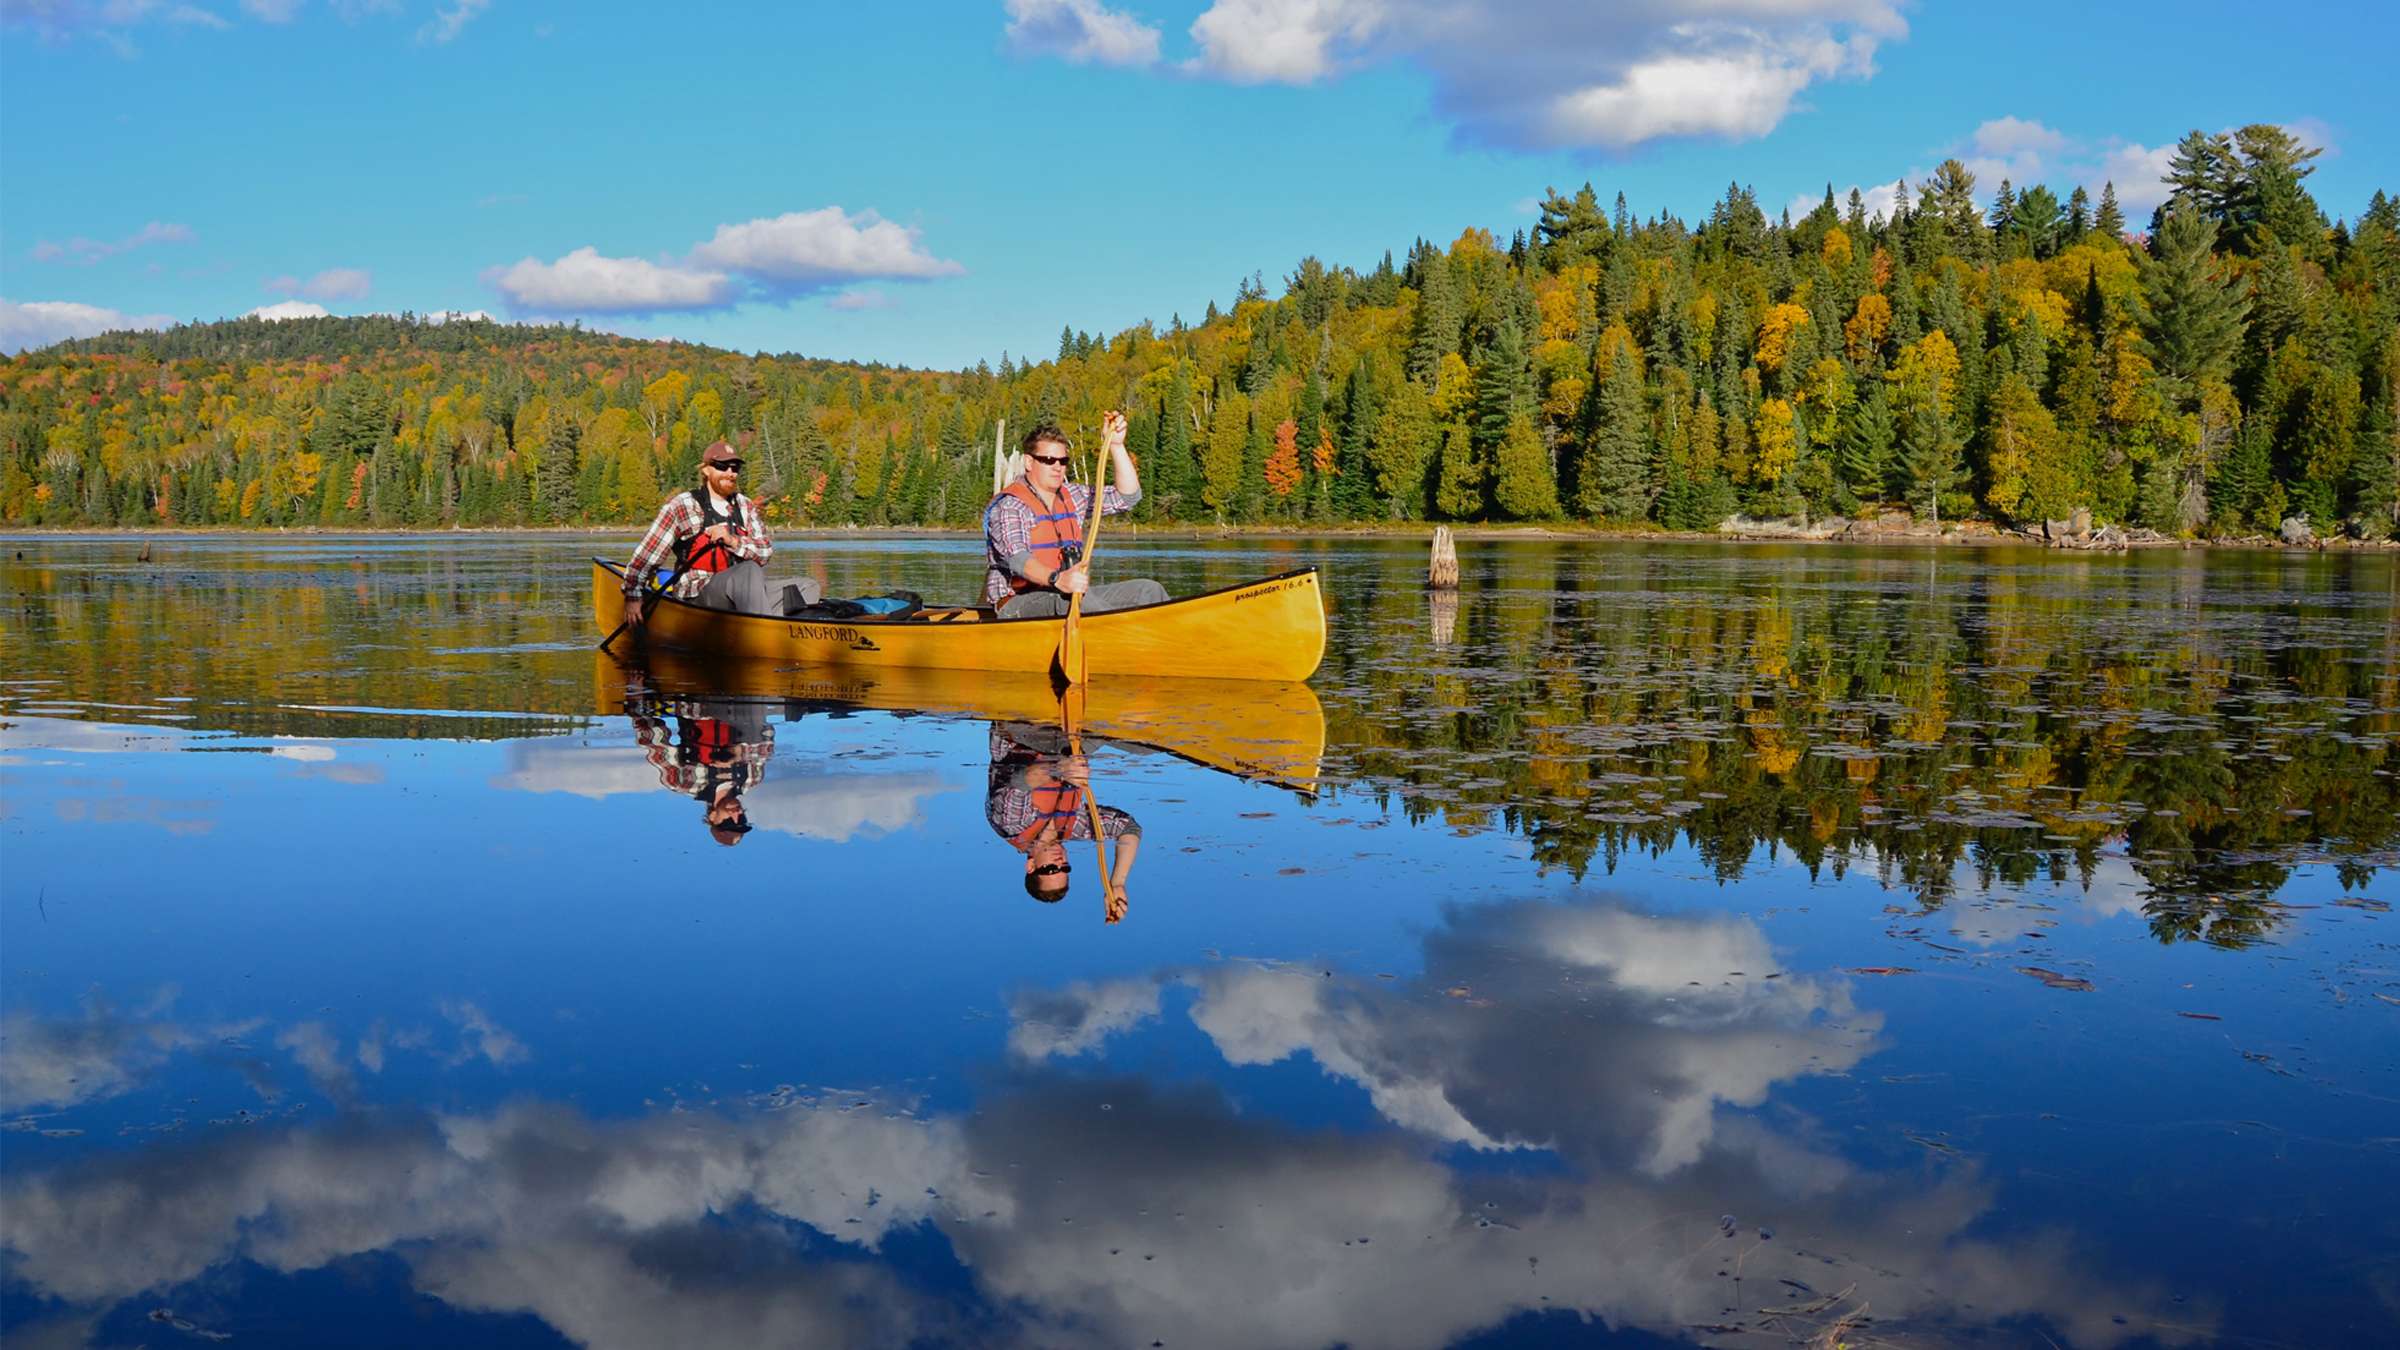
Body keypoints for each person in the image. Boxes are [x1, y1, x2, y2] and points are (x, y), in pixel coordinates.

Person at [621, 439, 820, 633]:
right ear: (706, 470)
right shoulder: (683, 505)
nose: (730, 473)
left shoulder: (745, 506)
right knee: (748, 571)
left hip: (744, 594)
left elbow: (765, 552)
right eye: (722, 466)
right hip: (699, 593)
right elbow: (646, 556)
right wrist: (633, 596)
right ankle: (762, 636)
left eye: (735, 468)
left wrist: (732, 540)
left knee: (807, 586)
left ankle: (789, 635)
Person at [982, 412, 1167, 618]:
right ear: (1028, 462)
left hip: (1066, 592)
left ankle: (1168, 642)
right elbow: (1018, 559)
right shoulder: (1010, 506)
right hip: (1018, 601)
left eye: (1063, 461)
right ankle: (1127, 637)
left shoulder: (1074, 496)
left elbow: (1129, 496)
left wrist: (1116, 446)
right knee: (1078, 603)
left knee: (1149, 591)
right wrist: (1057, 579)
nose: (1057, 467)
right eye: (1048, 460)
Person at [986, 720, 1140, 920]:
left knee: (1068, 744)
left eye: (1051, 869)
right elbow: (1128, 828)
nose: (1060, 862)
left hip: (1020, 732)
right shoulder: (1071, 827)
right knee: (1145, 748)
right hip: (1066, 741)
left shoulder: (1011, 825)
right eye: (1065, 868)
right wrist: (1117, 883)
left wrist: (1059, 769)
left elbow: (1021, 781)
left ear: (1031, 866)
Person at [630, 690, 774, 847]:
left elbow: (652, 740)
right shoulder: (752, 778)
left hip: (693, 699)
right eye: (742, 819)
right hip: (740, 698)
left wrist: (637, 699)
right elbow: (767, 735)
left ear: (712, 817)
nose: (737, 815)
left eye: (728, 821)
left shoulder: (683, 782)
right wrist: (740, 753)